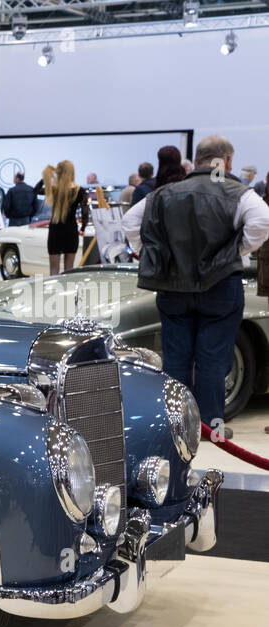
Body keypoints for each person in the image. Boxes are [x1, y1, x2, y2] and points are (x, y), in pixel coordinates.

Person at [122, 135, 269, 429]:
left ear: (198, 159)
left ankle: (177, 427)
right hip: (220, 285)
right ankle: (209, 424)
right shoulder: (239, 193)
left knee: (176, 358)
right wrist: (235, 252)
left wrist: (158, 254)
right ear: (226, 160)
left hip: (174, 287)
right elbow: (262, 223)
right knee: (213, 359)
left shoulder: (164, 194)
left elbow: (130, 223)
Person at [38, 160, 89, 276]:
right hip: (71, 230)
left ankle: (54, 293)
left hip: (55, 230)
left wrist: (47, 177)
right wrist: (83, 228)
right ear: (72, 172)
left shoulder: (54, 189)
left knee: (54, 271)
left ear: (59, 173)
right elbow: (85, 212)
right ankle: (68, 294)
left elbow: (35, 190)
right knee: (69, 270)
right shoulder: (79, 190)